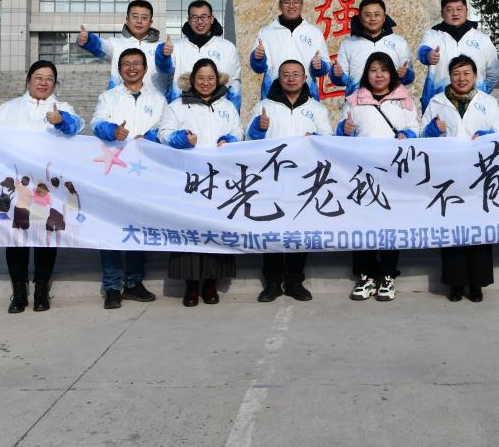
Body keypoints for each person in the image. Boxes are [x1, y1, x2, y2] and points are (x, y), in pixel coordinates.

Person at [0, 60, 83, 314]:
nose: (43, 82)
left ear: (55, 83)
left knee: (46, 238)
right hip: (17, 187)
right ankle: (19, 292)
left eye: (49, 78)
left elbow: (78, 127)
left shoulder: (63, 108)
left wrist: (61, 120)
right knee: (16, 238)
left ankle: (41, 290)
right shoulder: (9, 108)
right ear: (29, 79)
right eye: (38, 77)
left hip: (46, 189)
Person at [421, 55, 499, 302]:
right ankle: (455, 283)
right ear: (450, 76)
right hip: (447, 175)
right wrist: (431, 131)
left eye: (467, 73)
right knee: (452, 229)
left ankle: (477, 283)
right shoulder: (437, 101)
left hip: (479, 175)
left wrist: (489, 135)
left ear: (475, 76)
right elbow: (421, 135)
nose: (462, 78)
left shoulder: (488, 102)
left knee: (478, 227)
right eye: (457, 73)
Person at [159, 57, 244, 307]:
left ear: (217, 80)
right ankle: (191, 285)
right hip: (189, 180)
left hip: (219, 180)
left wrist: (230, 139)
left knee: (216, 230)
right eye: (200, 78)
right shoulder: (177, 106)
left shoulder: (227, 106)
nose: (205, 83)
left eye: (210, 78)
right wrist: (181, 138)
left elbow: (239, 131)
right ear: (192, 80)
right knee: (190, 231)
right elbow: (163, 134)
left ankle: (211, 283)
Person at [247, 59, 334, 302]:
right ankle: (273, 282)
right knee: (272, 230)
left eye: (296, 74)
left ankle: (295, 281)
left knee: (299, 230)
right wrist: (258, 128)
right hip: (271, 179)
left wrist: (315, 138)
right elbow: (249, 141)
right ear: (279, 78)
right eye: (286, 74)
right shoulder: (264, 106)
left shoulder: (317, 108)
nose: (291, 78)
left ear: (305, 78)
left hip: (305, 180)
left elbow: (329, 139)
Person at [337, 51, 420, 302]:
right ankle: (366, 275)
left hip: (393, 175)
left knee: (390, 225)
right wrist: (344, 129)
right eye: (373, 70)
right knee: (363, 224)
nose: (379, 75)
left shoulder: (404, 100)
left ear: (391, 73)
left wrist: (408, 135)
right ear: (367, 74)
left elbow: (415, 130)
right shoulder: (354, 100)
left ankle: (387, 275)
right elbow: (341, 134)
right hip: (361, 175)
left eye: (384, 70)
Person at [90, 48, 165, 309]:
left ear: (145, 68)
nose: (131, 68)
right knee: (111, 227)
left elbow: (163, 127)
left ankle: (134, 282)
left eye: (136, 63)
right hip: (114, 172)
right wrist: (112, 131)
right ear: (119, 69)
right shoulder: (108, 97)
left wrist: (150, 138)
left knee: (137, 227)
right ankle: (112, 286)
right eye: (126, 64)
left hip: (144, 172)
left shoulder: (158, 98)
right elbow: (96, 123)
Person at [417, 0, 499, 110]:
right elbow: (423, 49)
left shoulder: (482, 39)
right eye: (449, 9)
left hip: (474, 106)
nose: (455, 13)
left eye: (459, 9)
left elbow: (493, 72)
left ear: (466, 11)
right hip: (438, 105)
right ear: (442, 13)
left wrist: (481, 91)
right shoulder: (432, 35)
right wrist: (428, 55)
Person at [76, 0, 175, 97]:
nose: (139, 21)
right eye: (135, 17)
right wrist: (88, 39)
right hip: (121, 101)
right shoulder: (115, 44)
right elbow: (101, 46)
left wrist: (164, 55)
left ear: (150, 22)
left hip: (154, 102)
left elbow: (169, 73)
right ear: (127, 20)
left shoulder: (163, 48)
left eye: (144, 18)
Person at [250, 0, 331, 101]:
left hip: (307, 99)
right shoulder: (266, 32)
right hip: (273, 98)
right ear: (280, 5)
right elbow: (257, 68)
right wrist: (258, 58)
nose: (291, 6)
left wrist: (319, 66)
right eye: (286, 2)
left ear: (302, 5)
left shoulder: (314, 32)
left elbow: (326, 66)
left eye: (296, 2)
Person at [330, 0, 414, 96]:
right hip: (357, 101)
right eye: (368, 15)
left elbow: (409, 76)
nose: (373, 19)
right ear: (360, 18)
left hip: (392, 101)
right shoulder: (348, 43)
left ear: (384, 17)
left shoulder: (399, 42)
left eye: (377, 14)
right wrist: (337, 75)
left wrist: (405, 74)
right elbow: (342, 80)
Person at [173, 0, 243, 111]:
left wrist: (232, 114)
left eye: (204, 17)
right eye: (195, 17)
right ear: (189, 20)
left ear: (211, 19)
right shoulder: (177, 47)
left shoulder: (227, 47)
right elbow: (167, 79)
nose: (200, 21)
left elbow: (235, 83)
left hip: (217, 110)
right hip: (184, 110)